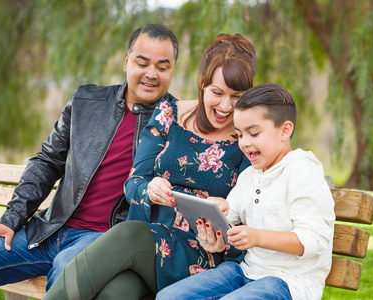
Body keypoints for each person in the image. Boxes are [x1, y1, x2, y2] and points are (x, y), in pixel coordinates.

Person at [0, 24, 179, 299]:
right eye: (142, 62)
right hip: (52, 228)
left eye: (162, 66)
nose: (151, 74)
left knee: (68, 271)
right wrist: (11, 218)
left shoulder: (178, 123)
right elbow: (47, 161)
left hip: (103, 240)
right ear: (126, 62)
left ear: (173, 70)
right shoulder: (86, 101)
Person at [43, 33, 256, 300]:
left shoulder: (248, 140)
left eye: (237, 96)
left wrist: (223, 239)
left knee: (128, 235)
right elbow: (134, 183)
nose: (225, 106)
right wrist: (149, 190)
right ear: (202, 85)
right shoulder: (170, 113)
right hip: (145, 245)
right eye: (217, 92)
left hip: (199, 255)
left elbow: (251, 213)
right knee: (114, 293)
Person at [156, 83, 336, 300]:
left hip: (289, 282)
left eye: (253, 133)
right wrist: (217, 222)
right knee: (169, 297)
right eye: (239, 135)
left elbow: (313, 240)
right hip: (246, 271)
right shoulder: (251, 176)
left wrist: (257, 237)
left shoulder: (301, 170)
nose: (244, 143)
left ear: (285, 130)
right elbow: (229, 220)